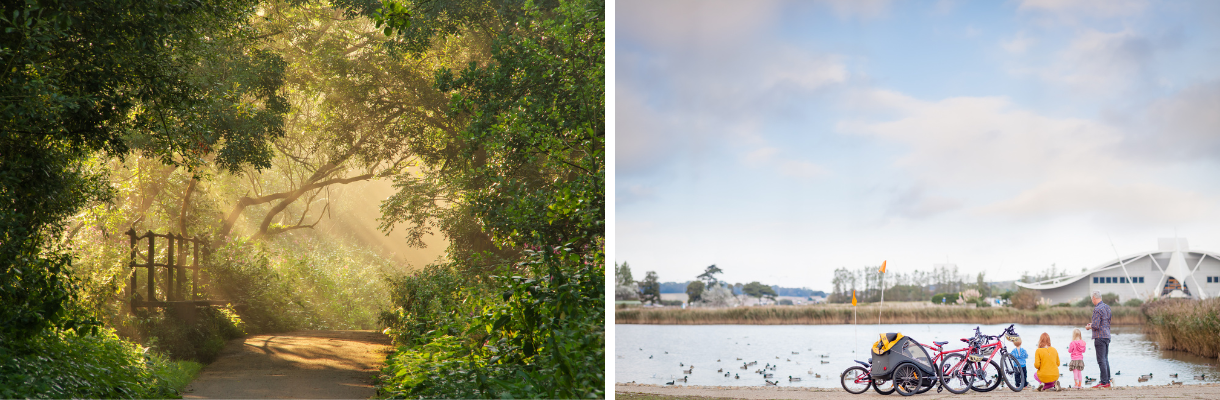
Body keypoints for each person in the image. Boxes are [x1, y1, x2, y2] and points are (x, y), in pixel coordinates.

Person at [1084, 290, 1112, 388]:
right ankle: (1107, 380)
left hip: (1099, 337)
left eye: (1092, 299)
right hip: (1107, 336)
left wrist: (1089, 327)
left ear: (1094, 298)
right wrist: (1093, 325)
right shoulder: (1107, 308)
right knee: (1105, 359)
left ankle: (1104, 382)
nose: (1092, 301)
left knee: (1101, 360)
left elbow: (1096, 325)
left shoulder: (1097, 309)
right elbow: (1106, 323)